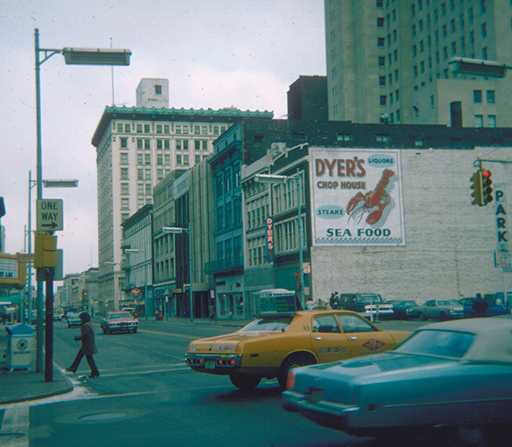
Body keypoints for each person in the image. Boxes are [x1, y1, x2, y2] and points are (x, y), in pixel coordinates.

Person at [67, 312, 100, 378]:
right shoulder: (88, 324)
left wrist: (77, 338)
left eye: (81, 318)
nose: (80, 320)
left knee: (87, 358)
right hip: (87, 344)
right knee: (83, 357)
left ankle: (94, 371)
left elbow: (84, 335)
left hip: (87, 345)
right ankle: (94, 371)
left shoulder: (86, 325)